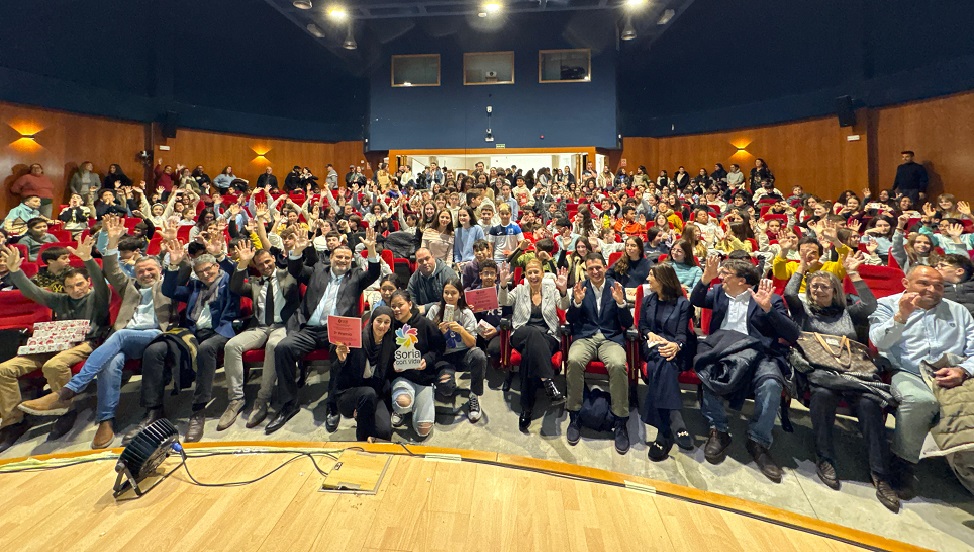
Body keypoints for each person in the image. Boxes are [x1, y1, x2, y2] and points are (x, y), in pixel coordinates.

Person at [19, 216, 180, 447]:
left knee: (119, 335)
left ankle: (68, 392)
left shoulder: (166, 286)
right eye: (141, 271)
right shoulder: (129, 287)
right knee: (111, 361)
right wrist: (111, 243)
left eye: (151, 269)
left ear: (160, 270)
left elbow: (179, 273)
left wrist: (174, 254)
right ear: (135, 274)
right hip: (124, 339)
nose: (146, 274)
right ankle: (106, 420)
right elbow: (113, 269)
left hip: (156, 335)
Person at [784, 254, 900, 510]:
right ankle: (825, 458)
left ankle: (880, 475)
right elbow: (791, 294)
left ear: (836, 290)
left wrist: (854, 274)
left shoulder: (848, 312)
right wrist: (802, 268)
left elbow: (870, 304)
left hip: (855, 373)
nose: (818, 289)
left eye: (825, 286)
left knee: (870, 405)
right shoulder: (804, 312)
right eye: (814, 286)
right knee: (823, 396)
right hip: (821, 372)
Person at [690, 256, 800, 483]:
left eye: (726, 274)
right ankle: (718, 429)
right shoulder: (720, 292)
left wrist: (768, 309)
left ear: (742, 280)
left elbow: (792, 334)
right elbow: (697, 299)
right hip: (723, 348)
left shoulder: (771, 298)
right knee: (709, 373)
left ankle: (758, 439)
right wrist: (705, 279)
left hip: (759, 352)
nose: (721, 277)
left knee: (771, 383)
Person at [870, 265, 974, 497]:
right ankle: (903, 464)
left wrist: (963, 370)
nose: (933, 290)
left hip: (953, 372)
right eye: (924, 284)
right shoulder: (888, 304)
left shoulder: (959, 311)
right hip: (909, 371)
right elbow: (879, 342)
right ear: (906, 284)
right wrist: (901, 317)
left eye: (939, 285)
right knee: (920, 402)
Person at [267, 228, 381, 434]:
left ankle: (333, 404)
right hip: (309, 328)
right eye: (339, 256)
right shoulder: (318, 270)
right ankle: (289, 404)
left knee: (341, 354)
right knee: (283, 348)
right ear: (331, 256)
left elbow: (373, 273)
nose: (343, 260)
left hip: (337, 331)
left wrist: (371, 251)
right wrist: (297, 251)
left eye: (347, 257)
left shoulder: (355, 276)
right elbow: (296, 270)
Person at [0, 240, 109, 451]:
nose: (75, 290)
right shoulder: (61, 300)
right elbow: (34, 292)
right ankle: (13, 421)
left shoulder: (98, 297)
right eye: (69, 287)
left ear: (88, 283)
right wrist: (15, 272)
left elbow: (101, 283)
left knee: (54, 366)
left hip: (86, 343)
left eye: (79, 285)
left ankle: (65, 408)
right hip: (53, 343)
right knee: (4, 370)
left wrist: (88, 259)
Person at [137, 238, 239, 443]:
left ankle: (198, 410)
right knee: (154, 350)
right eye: (200, 272)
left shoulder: (229, 282)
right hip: (191, 330)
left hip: (219, 331)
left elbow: (237, 273)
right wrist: (173, 266)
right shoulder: (194, 286)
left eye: (209, 270)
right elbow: (168, 291)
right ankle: (154, 408)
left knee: (205, 349)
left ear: (216, 267)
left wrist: (221, 254)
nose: (205, 274)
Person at [220, 241, 299, 431]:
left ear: (273, 259)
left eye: (267, 262)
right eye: (260, 264)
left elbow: (299, 270)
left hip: (282, 326)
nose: (265, 266)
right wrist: (242, 264)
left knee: (273, 346)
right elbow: (236, 288)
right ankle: (236, 400)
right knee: (232, 346)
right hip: (261, 327)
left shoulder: (288, 275)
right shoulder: (255, 283)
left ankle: (262, 399)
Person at [564, 253, 634, 454]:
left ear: (605, 267)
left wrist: (621, 303)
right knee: (574, 361)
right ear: (586, 270)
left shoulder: (615, 287)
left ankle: (620, 420)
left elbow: (627, 323)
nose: (594, 272)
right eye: (590, 268)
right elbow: (570, 319)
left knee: (619, 365)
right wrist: (576, 303)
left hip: (610, 338)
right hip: (585, 337)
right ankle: (575, 415)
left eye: (598, 267)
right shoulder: (580, 288)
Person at [497, 260, 570, 431]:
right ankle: (548, 382)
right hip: (521, 334)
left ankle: (526, 408)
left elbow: (564, 305)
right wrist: (502, 284)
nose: (533, 276)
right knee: (531, 333)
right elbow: (505, 301)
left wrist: (564, 290)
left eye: (536, 272)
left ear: (542, 274)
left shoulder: (551, 289)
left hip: (548, 336)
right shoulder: (521, 289)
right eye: (529, 273)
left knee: (529, 356)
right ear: (526, 275)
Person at [639, 264, 695, 461]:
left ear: (662, 280)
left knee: (660, 366)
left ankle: (664, 433)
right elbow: (642, 326)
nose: (648, 279)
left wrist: (676, 345)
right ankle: (676, 420)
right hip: (652, 345)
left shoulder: (682, 304)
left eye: (651, 275)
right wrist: (650, 334)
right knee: (661, 359)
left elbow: (681, 334)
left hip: (671, 350)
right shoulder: (647, 301)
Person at [327, 307, 396, 442]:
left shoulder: (390, 346)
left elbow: (386, 379)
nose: (382, 326)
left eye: (387, 322)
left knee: (385, 432)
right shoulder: (356, 341)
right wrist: (341, 359)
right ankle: (362, 440)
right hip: (348, 393)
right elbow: (335, 373)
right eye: (379, 321)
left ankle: (363, 415)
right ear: (371, 322)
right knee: (367, 394)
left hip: (374, 394)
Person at [426, 279, 487, 423]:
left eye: (453, 293)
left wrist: (461, 330)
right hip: (443, 356)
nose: (449, 296)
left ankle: (474, 395)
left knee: (479, 355)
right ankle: (438, 382)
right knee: (446, 390)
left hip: (463, 354)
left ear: (460, 294)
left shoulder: (466, 313)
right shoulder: (435, 310)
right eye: (446, 293)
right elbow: (427, 342)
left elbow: (472, 343)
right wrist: (439, 332)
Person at [388, 290, 445, 439]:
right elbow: (384, 354)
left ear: (410, 304)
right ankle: (403, 408)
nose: (396, 309)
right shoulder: (389, 326)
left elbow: (439, 348)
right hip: (402, 376)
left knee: (423, 430)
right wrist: (392, 365)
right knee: (402, 403)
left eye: (400, 305)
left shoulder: (426, 324)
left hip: (423, 377)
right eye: (393, 306)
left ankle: (422, 402)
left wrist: (427, 359)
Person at [406, 247, 459, 314]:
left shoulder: (448, 274)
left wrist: (426, 308)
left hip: (445, 314)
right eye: (420, 261)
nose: (424, 263)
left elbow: (452, 301)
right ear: (417, 262)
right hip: (422, 317)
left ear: (433, 257)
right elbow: (410, 300)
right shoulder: (414, 277)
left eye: (427, 259)